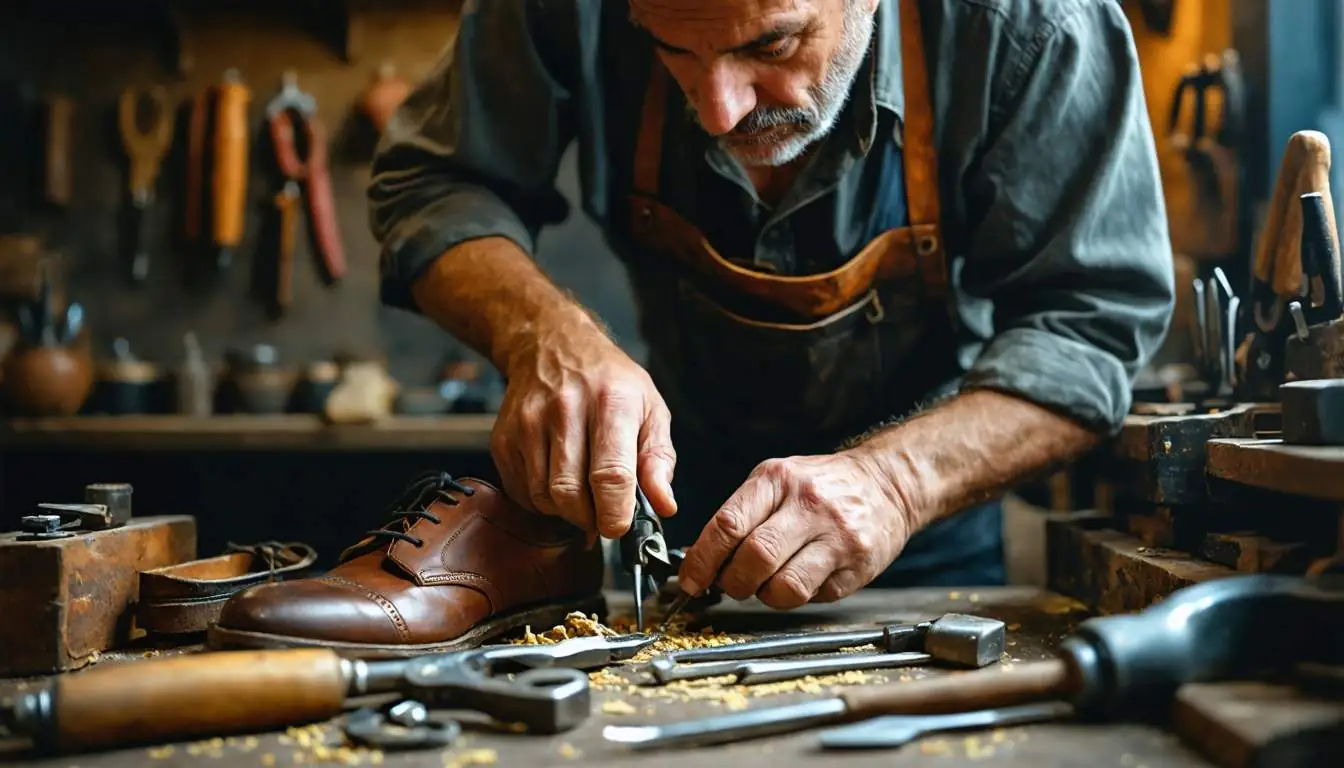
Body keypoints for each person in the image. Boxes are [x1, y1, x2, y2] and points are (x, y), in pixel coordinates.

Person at [368, 0, 1175, 608]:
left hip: (921, 537)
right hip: (683, 519)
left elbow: (1090, 326)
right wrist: (545, 336)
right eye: (670, 48)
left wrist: (893, 483)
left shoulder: (1032, 26)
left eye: (771, 43)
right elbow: (432, 184)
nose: (720, 110)